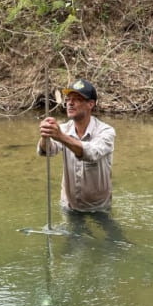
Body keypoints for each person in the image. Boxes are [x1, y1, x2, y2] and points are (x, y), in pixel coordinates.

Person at [37, 79, 115, 213]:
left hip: (99, 206)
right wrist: (45, 136)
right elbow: (47, 151)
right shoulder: (64, 129)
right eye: (68, 99)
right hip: (69, 205)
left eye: (77, 99)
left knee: (109, 234)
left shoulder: (106, 131)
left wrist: (61, 136)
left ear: (91, 104)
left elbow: (92, 153)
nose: (70, 103)